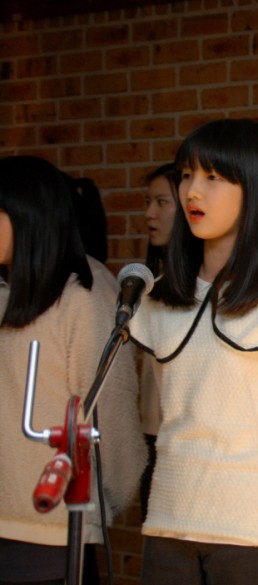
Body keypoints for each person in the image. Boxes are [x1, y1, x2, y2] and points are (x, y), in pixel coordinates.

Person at [129, 119, 258, 585]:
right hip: (169, 522)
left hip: (257, 532)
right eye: (187, 175)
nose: (193, 191)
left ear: (255, 189)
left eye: (213, 177)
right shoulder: (161, 296)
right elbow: (164, 418)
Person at [0, 156, 145, 585]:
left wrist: (102, 503)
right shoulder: (6, 292)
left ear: (29, 216)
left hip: (50, 527)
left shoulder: (82, 298)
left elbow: (112, 416)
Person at [138, 162, 179, 523]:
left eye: (162, 202)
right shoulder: (149, 287)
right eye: (148, 202)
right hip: (153, 441)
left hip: (188, 448)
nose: (150, 213)